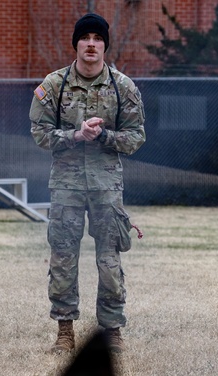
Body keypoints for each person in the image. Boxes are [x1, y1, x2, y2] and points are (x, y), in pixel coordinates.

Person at [30, 12, 146, 354]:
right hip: (65, 184)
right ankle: (65, 332)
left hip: (106, 185)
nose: (91, 44)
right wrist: (76, 135)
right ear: (77, 44)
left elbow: (137, 136)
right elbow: (39, 133)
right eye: (85, 38)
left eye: (98, 38)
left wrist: (104, 136)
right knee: (63, 257)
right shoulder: (54, 85)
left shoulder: (122, 87)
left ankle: (111, 333)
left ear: (104, 45)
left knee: (109, 259)